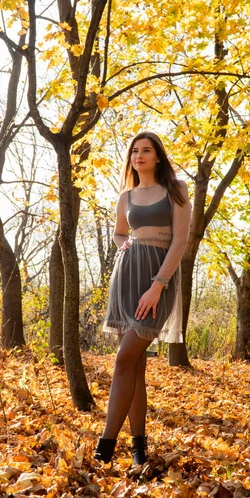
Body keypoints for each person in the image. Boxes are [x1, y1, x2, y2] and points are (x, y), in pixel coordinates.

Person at [94, 131, 191, 465]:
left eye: (146, 150)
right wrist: (124, 244)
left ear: (158, 157)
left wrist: (158, 285)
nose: (139, 155)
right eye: (134, 150)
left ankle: (104, 447)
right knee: (134, 368)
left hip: (156, 281)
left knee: (124, 359)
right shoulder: (126, 197)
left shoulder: (176, 191)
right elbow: (121, 231)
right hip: (126, 277)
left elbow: (180, 242)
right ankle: (139, 449)